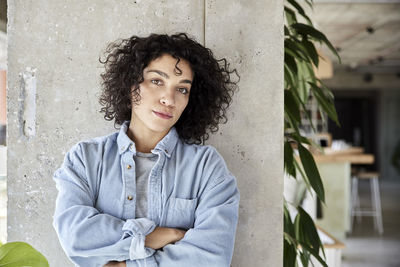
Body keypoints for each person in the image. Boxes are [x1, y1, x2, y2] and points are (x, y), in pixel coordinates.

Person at [53, 33, 240, 267]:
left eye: (182, 89)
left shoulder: (206, 167)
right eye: (157, 81)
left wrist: (123, 264)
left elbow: (212, 257)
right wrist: (154, 237)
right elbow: (75, 236)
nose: (169, 99)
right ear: (131, 84)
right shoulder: (85, 159)